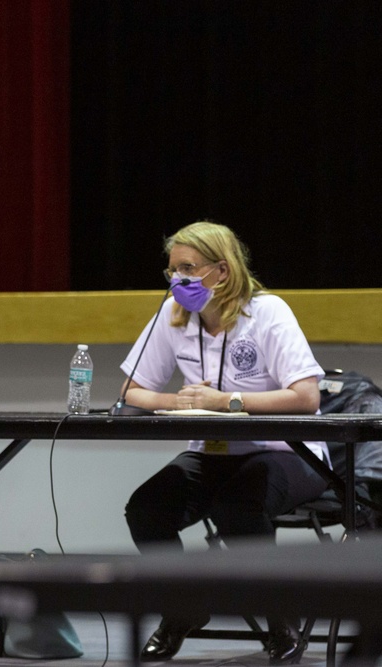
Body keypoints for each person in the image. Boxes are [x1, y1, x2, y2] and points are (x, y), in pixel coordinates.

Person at [119, 221, 327, 665]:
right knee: (146, 508)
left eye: (188, 269)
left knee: (238, 505)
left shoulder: (267, 312)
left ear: (222, 271)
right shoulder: (173, 316)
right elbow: (131, 390)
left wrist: (228, 401)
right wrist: (176, 400)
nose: (177, 281)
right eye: (172, 271)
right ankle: (184, 608)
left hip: (288, 452)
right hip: (212, 451)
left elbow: (306, 396)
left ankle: (280, 622)